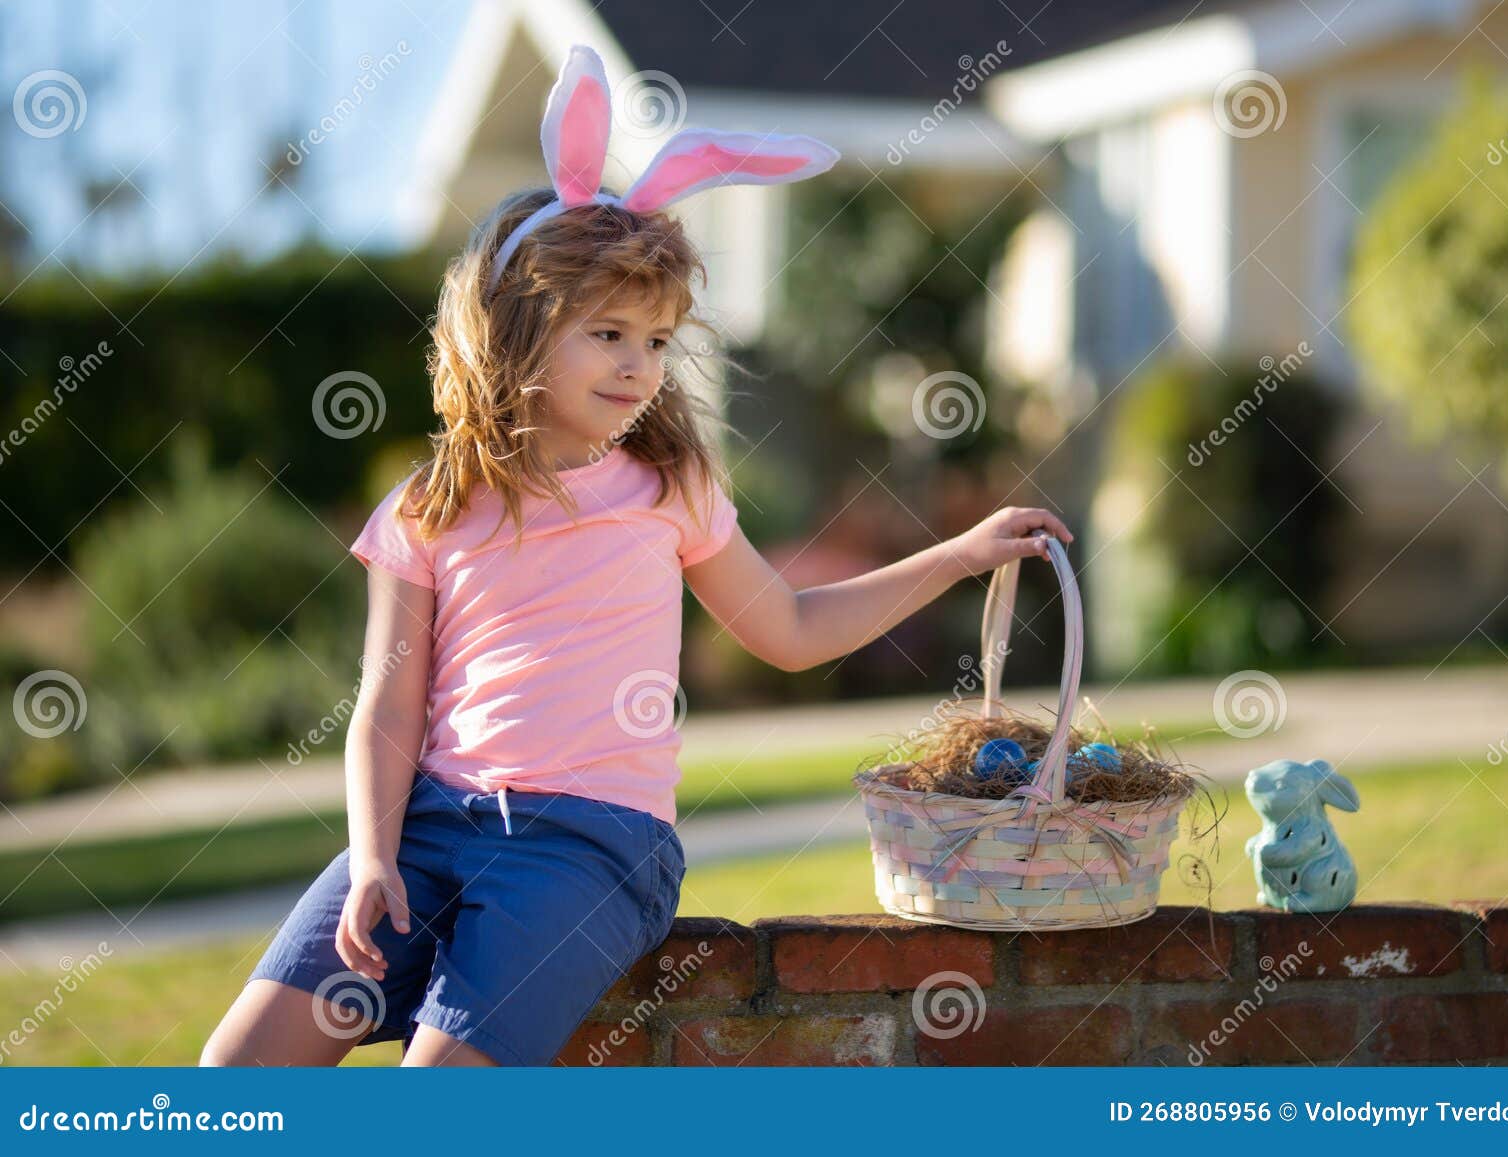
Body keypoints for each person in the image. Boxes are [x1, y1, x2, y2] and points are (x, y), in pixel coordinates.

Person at [200, 44, 1072, 1068]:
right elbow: (388, 707)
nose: (638, 364)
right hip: (431, 825)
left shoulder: (670, 489)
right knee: (236, 1070)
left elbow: (788, 628)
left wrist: (956, 554)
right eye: (607, 332)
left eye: (657, 341)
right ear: (514, 333)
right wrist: (375, 857)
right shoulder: (430, 505)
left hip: (590, 846)